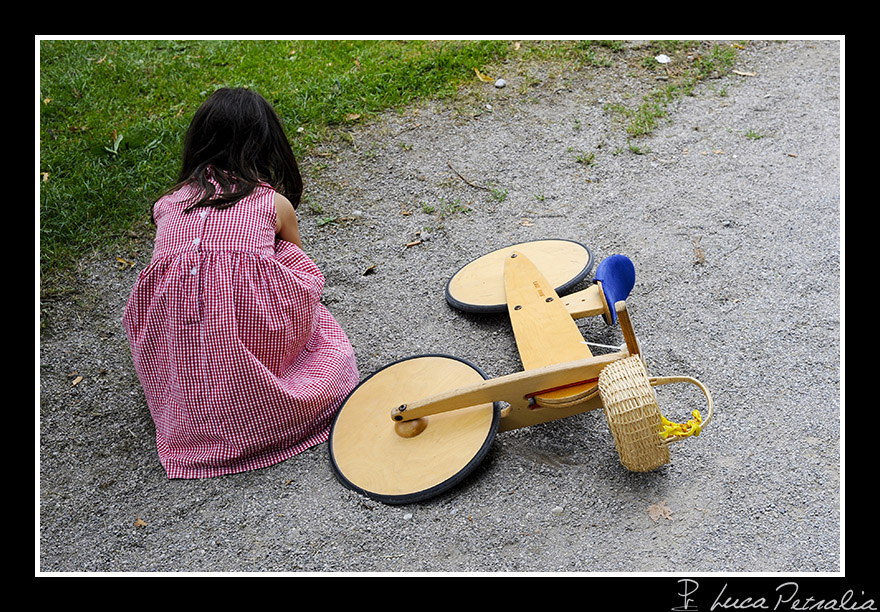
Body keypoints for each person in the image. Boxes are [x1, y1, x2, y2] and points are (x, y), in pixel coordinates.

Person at [123, 87, 359, 479]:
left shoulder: (166, 205)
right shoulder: (272, 204)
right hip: (248, 330)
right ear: (267, 145)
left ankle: (201, 404)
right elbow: (300, 280)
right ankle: (269, 392)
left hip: (182, 337)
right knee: (291, 273)